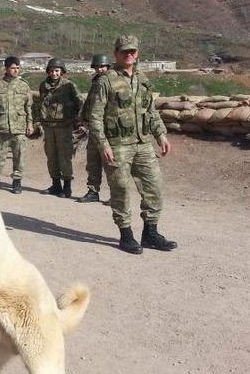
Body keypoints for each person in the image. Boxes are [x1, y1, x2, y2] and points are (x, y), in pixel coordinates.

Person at [88, 35, 178, 254]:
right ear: (116, 54)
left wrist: (161, 135)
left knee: (154, 187)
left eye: (133, 51)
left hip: (143, 143)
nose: (129, 55)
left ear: (137, 53)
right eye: (124, 51)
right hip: (117, 145)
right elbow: (95, 116)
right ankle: (126, 235)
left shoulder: (142, 79)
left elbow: (151, 111)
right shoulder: (105, 81)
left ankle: (150, 233)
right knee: (120, 191)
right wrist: (103, 145)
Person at [0, 56, 34, 194]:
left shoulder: (24, 86)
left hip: (19, 128)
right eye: (13, 68)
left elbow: (28, 107)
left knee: (19, 156)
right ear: (6, 69)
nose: (16, 70)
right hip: (1, 127)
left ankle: (17, 182)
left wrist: (30, 124)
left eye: (18, 68)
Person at [34, 58, 81, 198]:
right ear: (48, 71)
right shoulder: (43, 85)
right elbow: (42, 104)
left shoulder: (69, 85)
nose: (54, 73)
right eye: (51, 71)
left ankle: (67, 187)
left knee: (64, 157)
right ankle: (55, 185)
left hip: (64, 126)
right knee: (51, 156)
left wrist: (76, 120)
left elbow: (79, 102)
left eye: (57, 71)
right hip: (48, 127)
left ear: (61, 72)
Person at [78, 53, 112, 203]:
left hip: (108, 130)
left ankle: (115, 194)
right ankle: (93, 191)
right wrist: (84, 119)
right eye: (97, 67)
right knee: (92, 161)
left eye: (102, 66)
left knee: (110, 164)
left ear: (108, 67)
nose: (99, 69)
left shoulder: (113, 82)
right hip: (94, 128)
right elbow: (89, 104)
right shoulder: (96, 83)